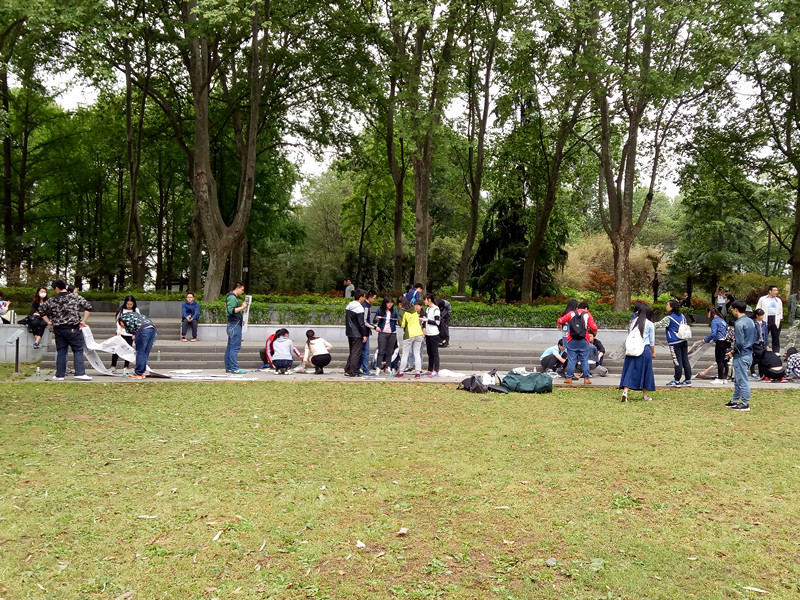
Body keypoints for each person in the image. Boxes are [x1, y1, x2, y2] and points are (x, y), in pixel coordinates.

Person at [38, 280, 93, 381]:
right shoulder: (75, 297)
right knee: (78, 350)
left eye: (54, 289)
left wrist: (49, 322)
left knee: (61, 351)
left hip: (58, 329)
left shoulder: (52, 300)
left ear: (57, 288)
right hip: (73, 327)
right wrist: (83, 322)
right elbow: (88, 307)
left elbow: (41, 310)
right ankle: (80, 373)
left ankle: (60, 375)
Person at [619, 303, 656, 402]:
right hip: (644, 349)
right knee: (646, 371)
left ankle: (625, 392)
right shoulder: (650, 324)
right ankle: (645, 395)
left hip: (633, 349)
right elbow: (652, 341)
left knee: (630, 370)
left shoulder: (633, 322)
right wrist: (653, 352)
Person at [556, 301, 598, 386]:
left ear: (578, 307)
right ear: (585, 308)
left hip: (572, 339)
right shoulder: (587, 315)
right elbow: (594, 327)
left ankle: (569, 378)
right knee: (584, 359)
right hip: (584, 340)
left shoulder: (571, 313)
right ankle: (586, 378)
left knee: (572, 359)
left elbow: (560, 320)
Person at [726, 300, 757, 411]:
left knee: (742, 379)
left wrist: (732, 351)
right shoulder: (750, 321)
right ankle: (734, 400)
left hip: (741, 354)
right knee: (738, 379)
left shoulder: (739, 323)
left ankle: (745, 403)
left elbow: (739, 342)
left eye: (732, 309)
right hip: (749, 353)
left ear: (736, 309)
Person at [655, 299, 692, 387]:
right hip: (683, 340)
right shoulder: (682, 316)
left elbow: (657, 325)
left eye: (667, 305)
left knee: (677, 361)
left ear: (672, 307)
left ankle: (677, 380)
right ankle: (688, 379)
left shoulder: (668, 318)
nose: (666, 306)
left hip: (674, 342)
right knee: (685, 360)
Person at [118, 311, 157, 380]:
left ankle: (139, 373)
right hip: (152, 328)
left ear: (121, 322)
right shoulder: (134, 315)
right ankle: (142, 372)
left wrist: (133, 333)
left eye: (122, 326)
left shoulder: (124, 318)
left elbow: (130, 326)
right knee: (145, 352)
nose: (123, 327)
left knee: (140, 351)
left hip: (143, 330)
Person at [698, 307, 729, 384]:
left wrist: (706, 340)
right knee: (724, 360)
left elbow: (713, 333)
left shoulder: (714, 321)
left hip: (720, 342)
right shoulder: (722, 320)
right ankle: (724, 378)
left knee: (719, 360)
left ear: (709, 313)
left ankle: (720, 378)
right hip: (726, 341)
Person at [396, 298, 424, 378]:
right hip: (418, 333)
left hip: (409, 334)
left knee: (405, 354)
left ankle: (401, 372)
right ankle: (418, 372)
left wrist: (398, 322)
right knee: (417, 354)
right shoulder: (413, 309)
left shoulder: (402, 311)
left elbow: (402, 324)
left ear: (400, 304)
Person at [224, 282, 249, 374]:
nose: (242, 292)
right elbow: (231, 310)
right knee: (234, 348)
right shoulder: (232, 298)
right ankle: (234, 368)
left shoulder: (230, 297)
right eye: (242, 290)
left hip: (232, 325)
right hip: (235, 325)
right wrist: (242, 307)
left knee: (230, 347)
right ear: (237, 288)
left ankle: (229, 367)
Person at [111, 295, 139, 373]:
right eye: (128, 304)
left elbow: (137, 321)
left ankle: (126, 366)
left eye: (131, 304)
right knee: (116, 349)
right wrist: (118, 330)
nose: (129, 306)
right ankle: (113, 366)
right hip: (121, 332)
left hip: (130, 333)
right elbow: (117, 321)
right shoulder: (121, 310)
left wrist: (134, 332)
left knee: (128, 349)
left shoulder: (136, 310)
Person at [345, 288, 368, 377]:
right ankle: (352, 371)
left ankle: (348, 369)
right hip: (357, 333)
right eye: (364, 297)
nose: (364, 299)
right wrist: (364, 334)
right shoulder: (359, 308)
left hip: (349, 332)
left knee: (352, 352)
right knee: (356, 353)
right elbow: (361, 324)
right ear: (361, 297)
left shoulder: (349, 306)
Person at [373, 296, 398, 374]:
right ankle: (378, 367)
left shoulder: (395, 311)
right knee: (381, 351)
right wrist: (377, 319)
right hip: (382, 333)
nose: (390, 304)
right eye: (388, 303)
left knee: (389, 351)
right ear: (385, 303)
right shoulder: (380, 310)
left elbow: (397, 322)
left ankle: (388, 367)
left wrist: (398, 322)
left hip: (392, 333)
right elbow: (374, 321)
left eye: (391, 303)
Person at [757, 285, 784, 353]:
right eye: (774, 290)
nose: (776, 292)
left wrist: (780, 318)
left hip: (775, 318)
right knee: (763, 335)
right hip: (765, 318)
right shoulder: (763, 299)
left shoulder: (778, 300)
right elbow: (758, 308)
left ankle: (776, 351)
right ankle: (763, 350)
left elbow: (781, 310)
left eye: (777, 290)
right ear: (770, 291)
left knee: (776, 336)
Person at [421, 292, 441, 377]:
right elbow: (425, 320)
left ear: (429, 300)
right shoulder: (428, 309)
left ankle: (436, 370)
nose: (424, 301)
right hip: (428, 334)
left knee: (435, 353)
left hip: (434, 334)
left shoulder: (436, 309)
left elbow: (437, 322)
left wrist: (427, 320)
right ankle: (430, 369)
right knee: (429, 353)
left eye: (425, 300)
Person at [359, 290, 378, 376]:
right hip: (364, 332)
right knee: (365, 352)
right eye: (374, 298)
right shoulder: (365, 307)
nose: (374, 300)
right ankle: (366, 369)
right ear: (370, 297)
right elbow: (365, 322)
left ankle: (358, 368)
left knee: (362, 351)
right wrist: (374, 327)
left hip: (364, 331)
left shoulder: (366, 306)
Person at [749, 308, 768, 380]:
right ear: (757, 315)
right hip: (755, 342)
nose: (762, 316)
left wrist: (767, 344)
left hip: (762, 342)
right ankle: (752, 371)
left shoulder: (764, 323)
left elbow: (766, 334)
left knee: (762, 358)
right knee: (756, 357)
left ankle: (761, 373)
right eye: (761, 315)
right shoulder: (753, 322)